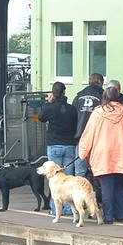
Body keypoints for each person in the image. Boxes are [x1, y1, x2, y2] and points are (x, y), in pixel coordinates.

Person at [78, 86, 123, 224]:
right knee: (119, 187)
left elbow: (88, 135)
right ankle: (121, 215)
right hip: (122, 155)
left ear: (104, 97)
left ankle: (109, 216)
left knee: (106, 187)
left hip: (102, 156)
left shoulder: (97, 113)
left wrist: (83, 152)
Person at [39, 81, 77, 216]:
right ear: (64, 92)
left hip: (54, 144)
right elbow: (75, 124)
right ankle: (68, 209)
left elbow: (41, 117)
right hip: (69, 145)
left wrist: (48, 103)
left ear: (53, 93)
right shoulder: (72, 109)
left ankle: (56, 209)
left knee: (54, 179)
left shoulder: (50, 108)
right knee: (67, 179)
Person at [72, 72, 104, 178]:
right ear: (101, 82)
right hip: (98, 138)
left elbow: (73, 116)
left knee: (80, 170)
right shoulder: (103, 96)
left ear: (89, 81)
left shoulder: (79, 96)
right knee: (98, 169)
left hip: (81, 136)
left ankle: (80, 187)